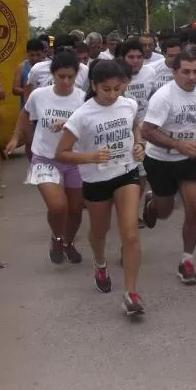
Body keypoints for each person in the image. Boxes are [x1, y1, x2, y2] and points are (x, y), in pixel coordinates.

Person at [56, 60, 145, 310]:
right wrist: (90, 157)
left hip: (126, 172)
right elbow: (61, 153)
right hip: (96, 180)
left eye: (118, 88)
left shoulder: (128, 104)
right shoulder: (82, 115)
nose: (113, 94)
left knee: (130, 233)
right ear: (94, 85)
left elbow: (135, 126)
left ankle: (131, 293)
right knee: (99, 232)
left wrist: (139, 145)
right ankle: (100, 262)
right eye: (107, 89)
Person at [141, 49, 196, 285]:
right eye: (186, 72)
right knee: (165, 212)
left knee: (194, 210)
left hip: (191, 161)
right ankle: (152, 203)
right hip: (161, 161)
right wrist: (177, 145)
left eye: (195, 71)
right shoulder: (163, 97)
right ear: (174, 72)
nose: (191, 77)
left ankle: (187, 260)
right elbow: (147, 131)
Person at [6, 52, 86, 265]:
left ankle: (68, 243)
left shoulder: (82, 98)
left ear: (77, 75)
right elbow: (25, 115)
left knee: (76, 210)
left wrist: (68, 122)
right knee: (58, 207)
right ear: (52, 75)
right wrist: (15, 138)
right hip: (44, 158)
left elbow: (89, 125)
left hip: (74, 160)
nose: (66, 81)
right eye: (61, 76)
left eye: (70, 76)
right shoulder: (39, 95)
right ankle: (57, 237)